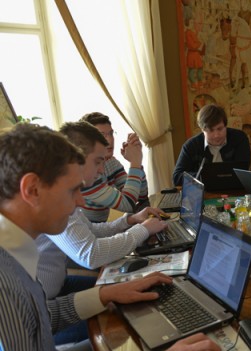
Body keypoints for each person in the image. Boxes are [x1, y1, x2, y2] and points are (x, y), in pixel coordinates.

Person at [0, 123, 224, 351]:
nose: (81, 202)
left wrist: (107, 293)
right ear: (32, 189)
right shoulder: (5, 285)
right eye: (73, 190)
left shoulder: (16, 253)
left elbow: (41, 318)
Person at [36, 121, 167, 300]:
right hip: (46, 300)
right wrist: (143, 230)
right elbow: (91, 255)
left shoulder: (67, 189)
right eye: (98, 162)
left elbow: (92, 230)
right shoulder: (53, 198)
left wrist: (129, 220)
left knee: (140, 286)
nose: (101, 169)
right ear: (77, 159)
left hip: (60, 285)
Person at [80, 112, 148, 223]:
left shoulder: (111, 162)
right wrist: (135, 162)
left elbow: (141, 196)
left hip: (101, 227)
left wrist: (137, 161)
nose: (110, 140)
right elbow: (128, 205)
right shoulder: (88, 173)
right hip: (87, 230)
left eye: (111, 134)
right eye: (102, 135)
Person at [173, 103, 251, 186]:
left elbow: (243, 172)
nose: (216, 135)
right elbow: (177, 177)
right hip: (203, 191)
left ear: (225, 125)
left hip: (234, 190)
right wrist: (204, 176)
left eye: (220, 129)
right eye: (210, 130)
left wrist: (212, 175)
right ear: (202, 129)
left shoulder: (239, 138)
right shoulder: (191, 146)